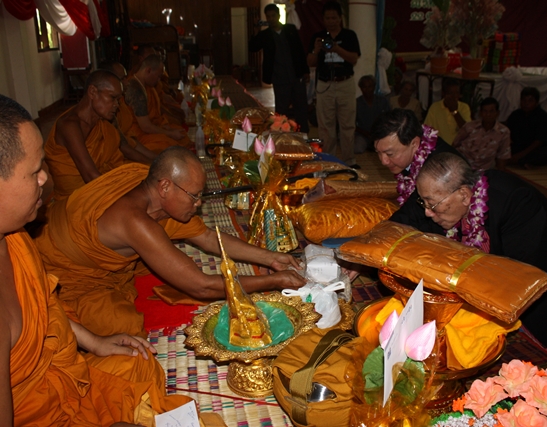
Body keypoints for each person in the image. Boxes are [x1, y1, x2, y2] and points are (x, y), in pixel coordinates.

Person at [0, 90, 197, 426]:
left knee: (139, 363)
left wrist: (95, 342)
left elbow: (42, 309)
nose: (45, 179)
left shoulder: (12, 235)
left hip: (60, 383)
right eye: (34, 171)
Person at [34, 147, 306, 338]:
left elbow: (208, 238)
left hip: (90, 253)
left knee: (160, 265)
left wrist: (271, 258)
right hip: (59, 271)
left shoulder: (149, 190)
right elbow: (201, 286)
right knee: (126, 329)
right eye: (194, 196)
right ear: (165, 186)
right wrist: (273, 281)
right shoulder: (135, 220)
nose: (198, 204)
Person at [396, 152, 547, 374]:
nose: (427, 212)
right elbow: (403, 223)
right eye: (423, 202)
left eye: (432, 205)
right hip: (507, 294)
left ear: (464, 195)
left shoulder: (516, 202)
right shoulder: (442, 194)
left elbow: (515, 275)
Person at [45, 70, 155, 200]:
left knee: (150, 177)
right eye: (113, 98)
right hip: (77, 198)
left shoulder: (103, 123)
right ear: (92, 92)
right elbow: (91, 176)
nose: (117, 105)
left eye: (118, 100)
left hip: (104, 181)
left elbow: (121, 151)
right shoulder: (69, 126)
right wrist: (131, 196)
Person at [371, 109, 462, 233]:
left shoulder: (438, 167)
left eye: (390, 154)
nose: (383, 161)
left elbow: (412, 213)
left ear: (414, 143)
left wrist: (381, 234)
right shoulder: (412, 152)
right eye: (378, 152)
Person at [307, 0, 361, 168]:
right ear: (323, 19)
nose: (331, 21)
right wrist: (316, 50)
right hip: (324, 85)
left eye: (334, 18)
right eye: (327, 18)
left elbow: (353, 59)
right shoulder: (318, 37)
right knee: (325, 126)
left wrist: (337, 49)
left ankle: (349, 161)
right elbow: (310, 62)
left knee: (348, 125)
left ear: (340, 18)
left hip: (345, 83)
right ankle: (329, 161)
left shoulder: (349, 35)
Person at [249, 3, 310, 133]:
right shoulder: (265, 35)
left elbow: (300, 50)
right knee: (281, 112)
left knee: (301, 110)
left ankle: (303, 136)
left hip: (296, 76)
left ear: (278, 15)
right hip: (279, 79)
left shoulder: (290, 29)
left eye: (273, 16)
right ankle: (281, 137)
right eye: (268, 16)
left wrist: (305, 71)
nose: (271, 19)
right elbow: (253, 47)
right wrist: (256, 31)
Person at [120, 54, 191, 154]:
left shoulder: (146, 86)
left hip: (150, 128)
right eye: (158, 76)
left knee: (182, 136)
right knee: (171, 146)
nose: (158, 80)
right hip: (139, 135)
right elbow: (145, 126)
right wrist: (169, 133)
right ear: (148, 70)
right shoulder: (136, 89)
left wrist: (164, 128)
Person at [452, 97, 511, 171]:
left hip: (484, 170)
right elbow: (455, 145)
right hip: (462, 166)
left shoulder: (503, 132)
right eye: (485, 111)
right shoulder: (469, 126)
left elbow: (502, 157)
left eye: (491, 111)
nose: (488, 114)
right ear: (480, 113)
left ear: (497, 113)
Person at [505, 87, 547, 167]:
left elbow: (539, 142)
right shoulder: (515, 115)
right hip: (518, 147)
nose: (526, 103)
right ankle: (523, 162)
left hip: (534, 149)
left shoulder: (543, 118)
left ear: (536, 102)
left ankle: (521, 161)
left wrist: (520, 155)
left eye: (530, 101)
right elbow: (506, 134)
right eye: (524, 100)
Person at [424, 79, 471, 144]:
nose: (454, 96)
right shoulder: (435, 107)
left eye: (457, 92)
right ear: (443, 93)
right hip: (440, 146)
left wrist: (454, 111)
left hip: (458, 146)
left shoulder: (464, 107)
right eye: (450, 93)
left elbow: (467, 130)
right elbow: (427, 130)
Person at [355, 75, 390, 153]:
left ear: (374, 87)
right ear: (360, 88)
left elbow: (389, 119)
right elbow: (352, 124)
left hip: (380, 134)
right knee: (357, 148)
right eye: (364, 87)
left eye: (370, 86)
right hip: (363, 134)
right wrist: (365, 133)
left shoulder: (382, 101)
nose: (367, 89)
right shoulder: (356, 103)